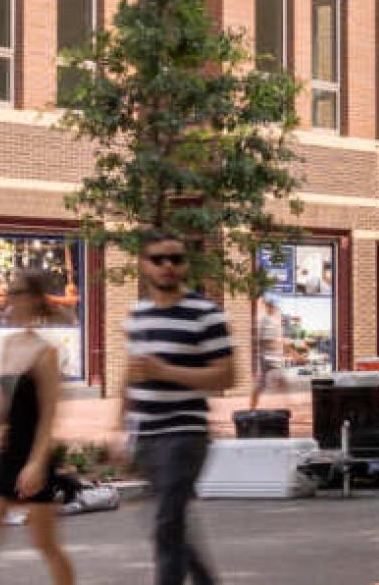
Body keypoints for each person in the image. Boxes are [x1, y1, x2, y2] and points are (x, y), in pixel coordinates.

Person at [125, 232, 233, 585]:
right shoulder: (138, 315)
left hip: (185, 434)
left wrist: (166, 371)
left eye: (176, 258)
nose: (168, 266)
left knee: (166, 524)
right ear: (144, 266)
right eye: (158, 259)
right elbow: (130, 373)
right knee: (171, 526)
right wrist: (117, 428)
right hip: (147, 435)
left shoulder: (206, 314)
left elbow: (226, 376)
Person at [0, 266, 75, 585]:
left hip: (33, 455)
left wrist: (37, 464)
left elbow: (50, 415)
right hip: (7, 454)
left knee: (45, 544)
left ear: (34, 300)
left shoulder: (46, 353)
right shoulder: (9, 345)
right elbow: (4, 400)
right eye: (10, 292)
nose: (10, 298)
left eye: (17, 292)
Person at [248, 297, 285, 411]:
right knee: (264, 384)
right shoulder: (267, 320)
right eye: (273, 306)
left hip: (269, 356)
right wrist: (285, 346)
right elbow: (267, 341)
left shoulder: (267, 319)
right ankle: (252, 409)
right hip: (269, 357)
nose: (275, 308)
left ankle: (252, 409)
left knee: (263, 384)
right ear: (269, 306)